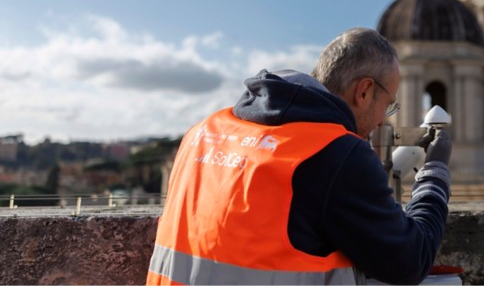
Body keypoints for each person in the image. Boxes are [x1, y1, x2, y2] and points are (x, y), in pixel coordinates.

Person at [147, 28, 452, 285]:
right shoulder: (337, 154)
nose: (383, 120)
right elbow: (411, 258)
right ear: (364, 92)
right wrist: (434, 172)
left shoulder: (201, 132)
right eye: (387, 106)